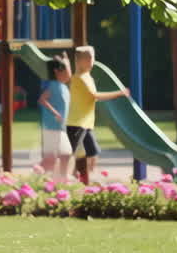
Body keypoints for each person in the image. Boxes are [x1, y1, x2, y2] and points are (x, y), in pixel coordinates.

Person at [66, 45, 127, 184]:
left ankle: (84, 178)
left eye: (92, 58)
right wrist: (119, 93)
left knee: (93, 152)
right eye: (88, 58)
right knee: (72, 152)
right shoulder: (79, 78)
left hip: (86, 123)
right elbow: (95, 95)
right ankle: (65, 176)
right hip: (76, 123)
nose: (91, 61)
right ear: (79, 61)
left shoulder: (88, 76)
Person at [37, 56, 73, 178]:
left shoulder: (63, 86)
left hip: (60, 127)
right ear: (57, 72)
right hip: (52, 126)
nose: (69, 74)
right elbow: (42, 100)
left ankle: (62, 177)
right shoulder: (53, 85)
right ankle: (36, 177)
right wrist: (55, 113)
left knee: (64, 154)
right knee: (53, 157)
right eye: (67, 71)